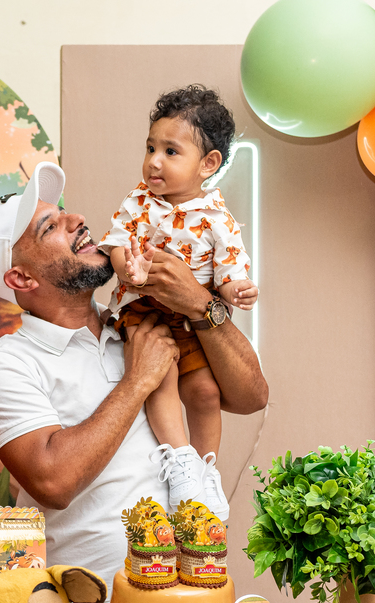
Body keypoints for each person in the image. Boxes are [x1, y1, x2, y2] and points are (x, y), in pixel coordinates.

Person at [0, 162, 267, 603]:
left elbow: (251, 396)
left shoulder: (138, 323)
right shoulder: (6, 365)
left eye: (64, 212)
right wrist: (138, 381)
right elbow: (53, 480)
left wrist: (200, 305)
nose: (76, 220)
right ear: (20, 278)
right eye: (51, 226)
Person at [100, 85, 258, 516]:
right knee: (161, 377)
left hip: (190, 318)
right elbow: (116, 244)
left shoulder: (216, 216)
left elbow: (227, 271)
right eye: (151, 147)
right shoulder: (139, 202)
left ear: (208, 164)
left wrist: (235, 291)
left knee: (205, 391)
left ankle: (206, 475)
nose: (154, 161)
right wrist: (125, 268)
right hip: (144, 311)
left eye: (171, 151)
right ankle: (180, 460)